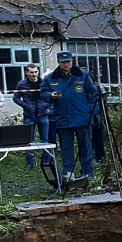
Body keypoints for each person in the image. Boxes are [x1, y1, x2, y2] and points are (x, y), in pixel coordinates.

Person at [41, 51, 100, 182]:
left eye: (68, 62)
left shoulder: (83, 76)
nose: (66, 65)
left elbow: (93, 95)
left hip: (83, 118)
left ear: (72, 61)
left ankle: (87, 172)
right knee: (66, 147)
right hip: (63, 118)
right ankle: (68, 172)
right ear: (58, 63)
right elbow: (43, 93)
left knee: (85, 146)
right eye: (63, 62)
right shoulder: (50, 78)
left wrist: (91, 112)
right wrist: (51, 96)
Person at [13, 64, 54, 169]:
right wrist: (26, 106)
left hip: (43, 114)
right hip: (29, 115)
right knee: (29, 141)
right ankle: (30, 163)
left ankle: (46, 162)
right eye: (31, 72)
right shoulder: (21, 84)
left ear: (38, 72)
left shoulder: (45, 83)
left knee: (45, 139)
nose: (34, 74)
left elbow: (52, 96)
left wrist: (46, 105)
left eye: (35, 72)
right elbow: (16, 98)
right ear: (27, 72)